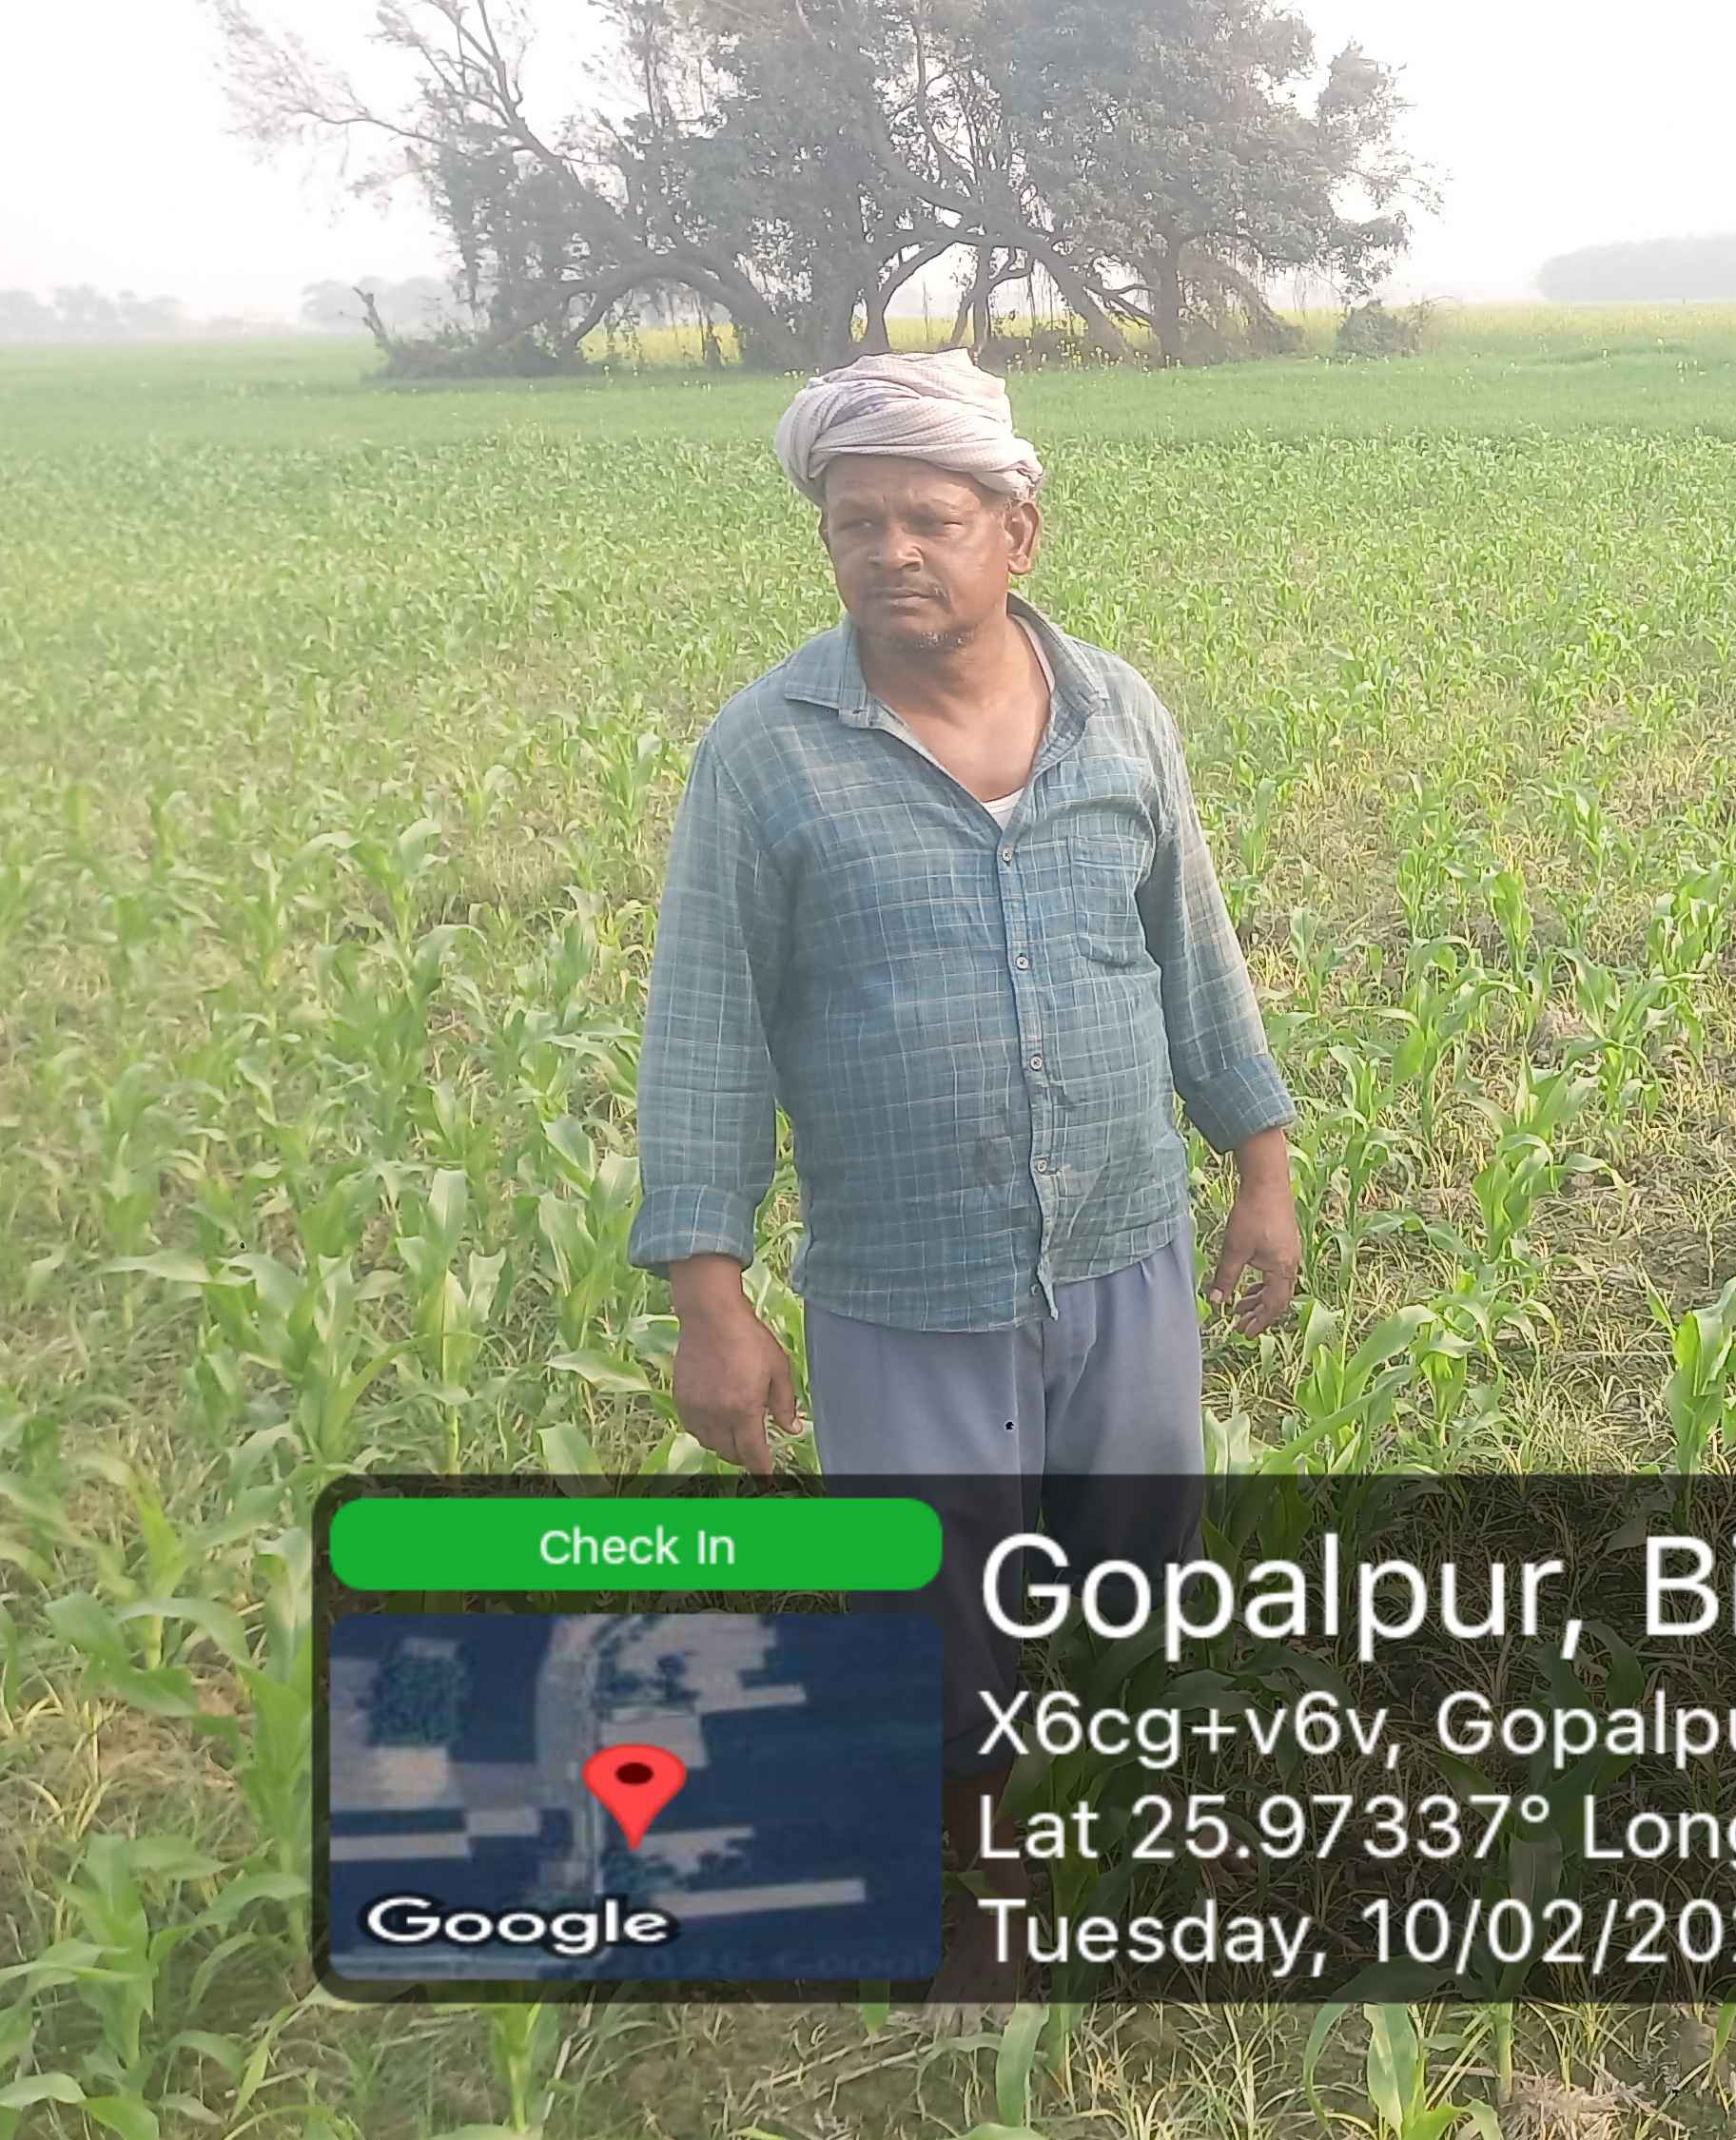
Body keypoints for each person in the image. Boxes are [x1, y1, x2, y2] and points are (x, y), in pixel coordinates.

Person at [627, 348, 1303, 2005]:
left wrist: (1261, 1166)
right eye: (855, 522)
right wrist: (710, 1300)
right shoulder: (768, 755)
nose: (891, 550)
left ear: (1019, 530)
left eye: (929, 517)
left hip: (1123, 1241)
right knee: (938, 1601)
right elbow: (706, 1029)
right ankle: (990, 1881)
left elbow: (1193, 954)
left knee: (1138, 1560)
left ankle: (1145, 1836)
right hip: (905, 1277)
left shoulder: (1120, 715)